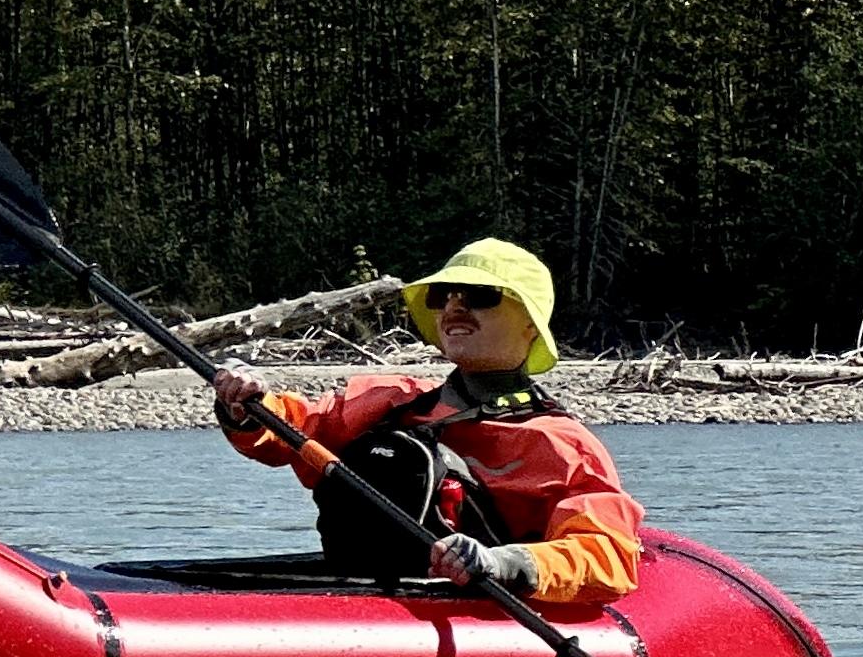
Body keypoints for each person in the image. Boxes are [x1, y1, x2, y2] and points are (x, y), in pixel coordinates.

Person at [209, 239, 645, 603]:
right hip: (360, 596)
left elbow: (607, 555)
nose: (454, 307)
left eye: (479, 296)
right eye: (444, 296)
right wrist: (248, 405)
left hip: (474, 613)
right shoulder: (391, 401)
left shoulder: (563, 444)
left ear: (529, 324)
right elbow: (296, 431)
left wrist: (503, 562)